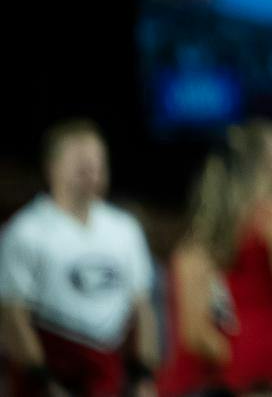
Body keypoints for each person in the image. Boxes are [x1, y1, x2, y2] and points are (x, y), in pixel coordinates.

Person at [157, 120, 272, 397]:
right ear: (260, 159)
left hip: (236, 367)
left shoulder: (200, 243)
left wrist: (239, 356)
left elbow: (195, 334)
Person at [0, 121, 159, 397]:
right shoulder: (25, 231)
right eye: (79, 160)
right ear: (52, 167)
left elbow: (142, 307)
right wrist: (43, 378)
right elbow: (12, 313)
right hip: (55, 374)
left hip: (110, 375)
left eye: (97, 160)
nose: (90, 169)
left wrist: (144, 374)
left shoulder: (124, 228)